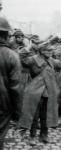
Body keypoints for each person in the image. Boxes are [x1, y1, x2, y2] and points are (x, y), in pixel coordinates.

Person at [18, 43, 59, 145]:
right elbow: (22, 57)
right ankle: (32, 136)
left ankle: (44, 136)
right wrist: (29, 46)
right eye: (47, 50)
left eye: (51, 50)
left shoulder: (52, 61)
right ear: (41, 51)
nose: (50, 52)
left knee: (45, 116)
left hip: (48, 93)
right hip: (35, 93)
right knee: (34, 116)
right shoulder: (33, 59)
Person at [0, 17, 21, 149]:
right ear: (7, 35)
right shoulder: (12, 55)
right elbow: (15, 88)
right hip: (3, 104)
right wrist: (17, 112)